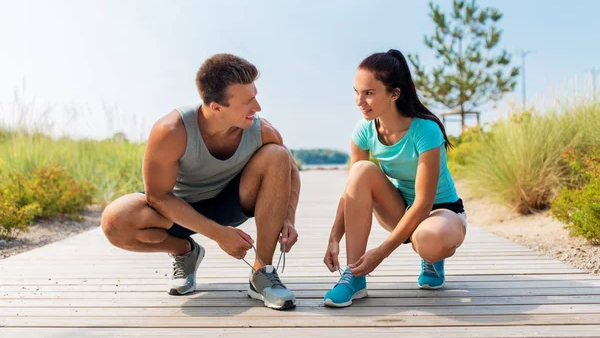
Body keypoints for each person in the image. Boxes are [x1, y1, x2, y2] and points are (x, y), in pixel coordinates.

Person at [101, 53, 300, 310]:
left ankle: (262, 273)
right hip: (178, 208)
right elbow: (158, 196)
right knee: (114, 221)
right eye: (247, 102)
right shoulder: (171, 131)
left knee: (277, 155)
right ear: (216, 107)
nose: (258, 108)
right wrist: (218, 235)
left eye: (255, 96)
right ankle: (185, 251)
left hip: (233, 202)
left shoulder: (262, 130)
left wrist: (288, 217)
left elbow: (290, 170)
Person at [322, 49, 467, 308]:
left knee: (428, 241)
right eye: (356, 91)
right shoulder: (364, 131)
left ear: (394, 94)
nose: (359, 100)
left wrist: (381, 252)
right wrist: (335, 236)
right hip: (400, 210)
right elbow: (352, 190)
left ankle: (433, 259)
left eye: (369, 93)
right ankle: (354, 277)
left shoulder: (425, 130)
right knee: (360, 171)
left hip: (441, 211)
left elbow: (424, 203)